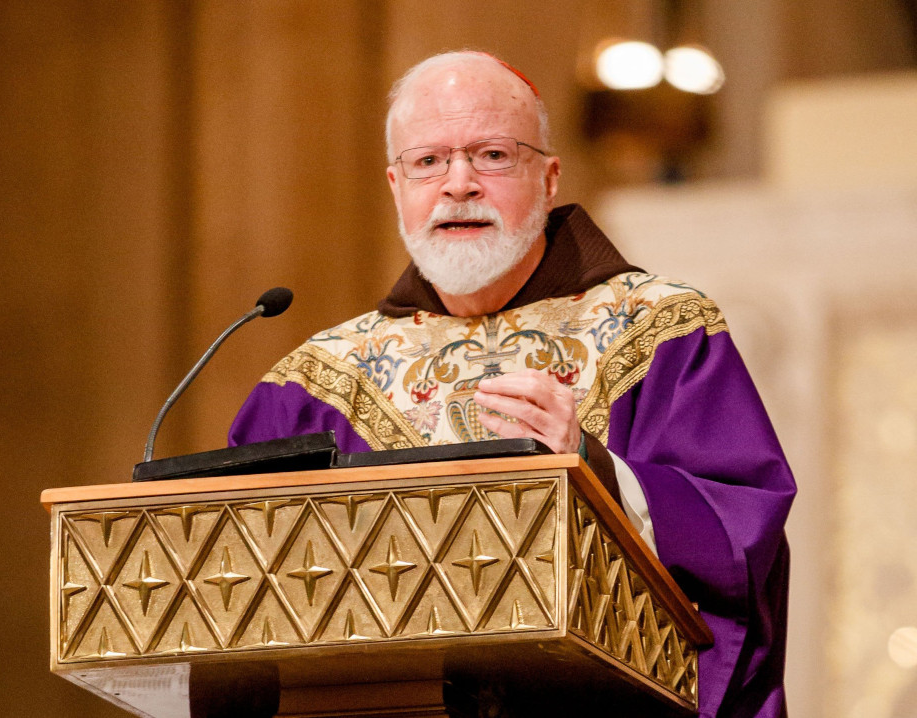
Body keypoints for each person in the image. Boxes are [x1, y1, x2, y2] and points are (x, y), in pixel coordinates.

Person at [229, 51, 796, 718]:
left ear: (549, 178)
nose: (458, 183)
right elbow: (237, 595)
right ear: (395, 185)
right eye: (428, 161)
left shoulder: (659, 333)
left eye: (492, 155)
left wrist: (594, 465)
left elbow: (743, 534)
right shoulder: (313, 385)